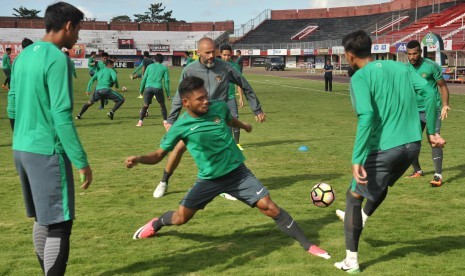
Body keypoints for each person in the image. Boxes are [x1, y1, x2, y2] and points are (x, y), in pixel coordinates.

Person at [125, 76, 330, 260]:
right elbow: (158, 155)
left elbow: (230, 119)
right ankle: (157, 223)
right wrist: (139, 158)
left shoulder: (218, 107)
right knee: (180, 218)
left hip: (237, 174)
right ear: (186, 102)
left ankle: (308, 245)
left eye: (206, 96)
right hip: (209, 179)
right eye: (200, 99)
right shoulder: (181, 126)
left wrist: (245, 126)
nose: (206, 101)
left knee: (270, 207)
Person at [333, 30, 444, 273]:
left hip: (385, 148)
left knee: (353, 196)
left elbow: (366, 116)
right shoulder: (401, 67)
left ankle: (351, 261)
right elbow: (428, 92)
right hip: (412, 146)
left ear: (349, 55)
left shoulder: (360, 78)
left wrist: (357, 159)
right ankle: (363, 218)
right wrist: (433, 132)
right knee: (380, 186)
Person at [7, 2, 93, 275]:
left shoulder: (22, 56)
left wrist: (24, 139)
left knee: (44, 219)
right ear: (68, 25)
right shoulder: (57, 59)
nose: (79, 35)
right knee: (59, 223)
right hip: (47, 152)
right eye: (79, 28)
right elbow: (62, 114)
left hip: (22, 148)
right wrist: (81, 161)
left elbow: (12, 106)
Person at [152, 37, 266, 199]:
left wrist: (257, 109)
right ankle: (163, 181)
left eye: (214, 51)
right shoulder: (190, 70)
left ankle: (228, 188)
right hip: (195, 118)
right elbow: (180, 94)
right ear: (198, 53)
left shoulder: (226, 68)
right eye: (207, 52)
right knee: (178, 149)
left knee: (227, 151)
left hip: (218, 120)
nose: (212, 55)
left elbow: (245, 85)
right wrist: (171, 119)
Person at [405, 40, 450, 187]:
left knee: (434, 140)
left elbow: (442, 86)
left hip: (432, 110)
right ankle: (417, 170)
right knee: (410, 143)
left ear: (420, 52)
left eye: (415, 53)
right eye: (409, 54)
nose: (412, 57)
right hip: (413, 111)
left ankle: (438, 176)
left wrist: (444, 105)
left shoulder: (431, 66)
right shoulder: (405, 69)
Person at [136, 53, 171, 127]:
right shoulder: (164, 68)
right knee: (162, 105)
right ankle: (165, 121)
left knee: (145, 105)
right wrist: (168, 94)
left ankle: (140, 122)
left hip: (148, 88)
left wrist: (141, 91)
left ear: (155, 59)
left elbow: (144, 79)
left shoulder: (149, 66)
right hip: (158, 88)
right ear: (162, 60)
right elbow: (166, 82)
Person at [220, 44, 244, 149]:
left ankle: (237, 143)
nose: (226, 57)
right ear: (220, 54)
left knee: (235, 118)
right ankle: (228, 143)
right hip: (220, 99)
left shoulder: (235, 66)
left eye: (228, 55)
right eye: (224, 55)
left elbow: (239, 83)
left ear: (231, 54)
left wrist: (241, 98)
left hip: (231, 97)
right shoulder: (216, 66)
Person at [7, 38, 34, 131]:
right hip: (23, 104)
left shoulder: (17, 60)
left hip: (12, 103)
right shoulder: (30, 60)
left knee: (18, 138)